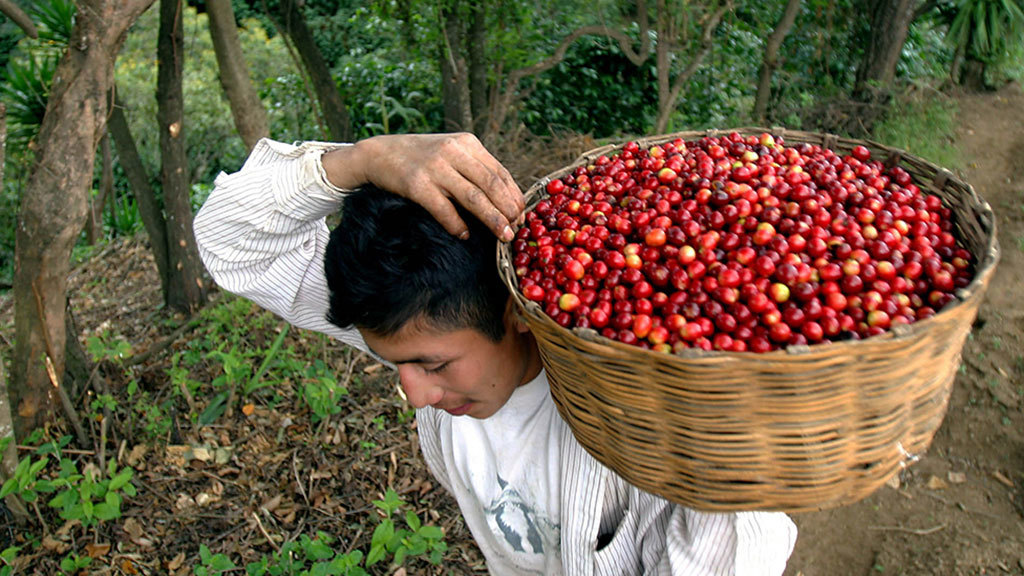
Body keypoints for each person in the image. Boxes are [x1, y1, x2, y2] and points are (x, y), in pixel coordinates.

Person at [193, 133, 798, 575]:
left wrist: (719, 450)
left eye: (433, 367)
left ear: (516, 312)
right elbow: (231, 243)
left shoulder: (641, 409)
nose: (413, 393)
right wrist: (365, 159)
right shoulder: (422, 322)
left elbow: (736, 548)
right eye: (396, 364)